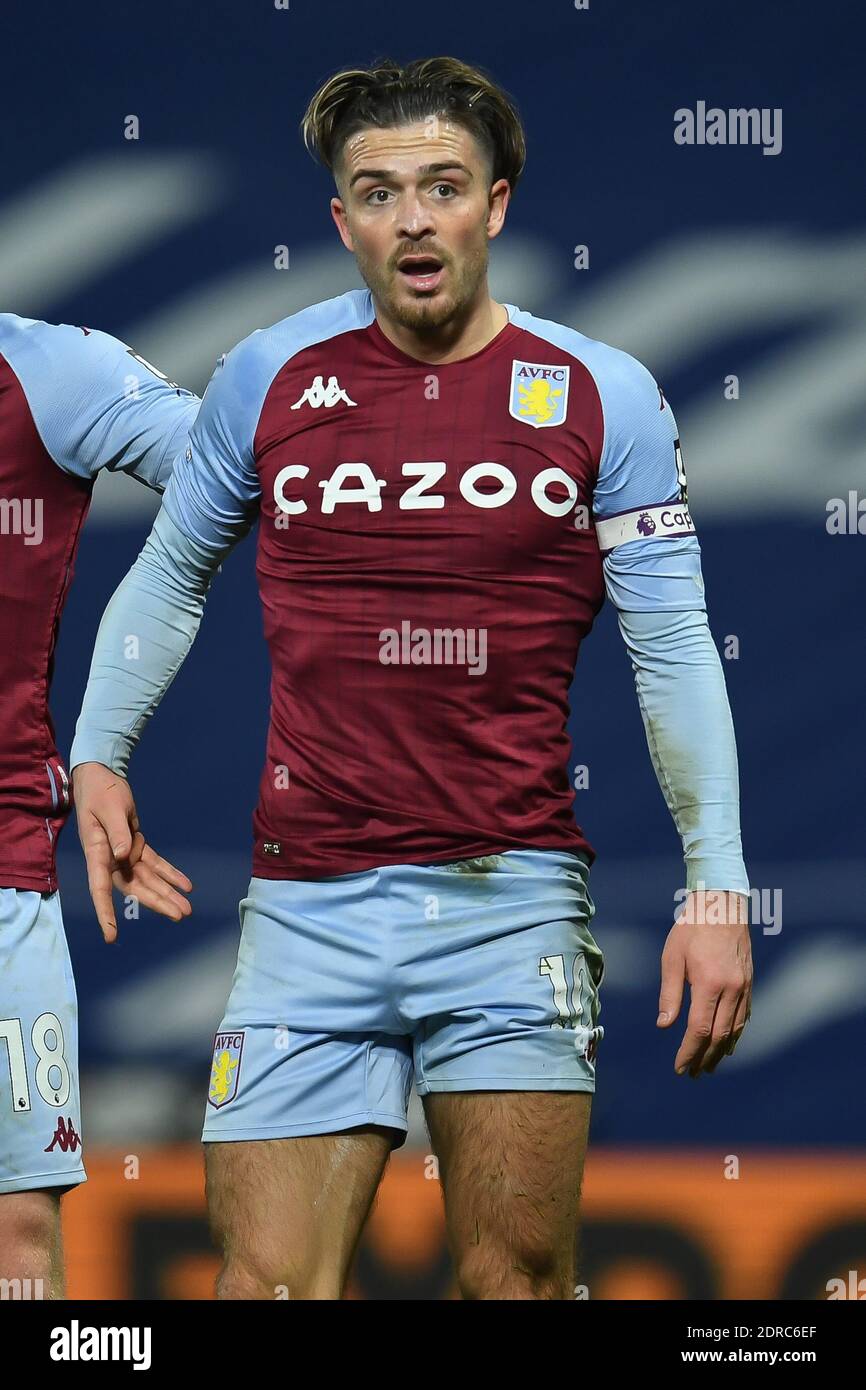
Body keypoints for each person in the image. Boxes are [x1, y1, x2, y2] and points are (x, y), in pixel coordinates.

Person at [71, 57, 752, 1301]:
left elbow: (672, 651)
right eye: (377, 193)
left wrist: (716, 890)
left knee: (516, 1284)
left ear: (494, 205)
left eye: (443, 186)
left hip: (509, 898)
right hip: (304, 911)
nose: (413, 218)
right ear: (341, 222)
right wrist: (98, 751)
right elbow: (169, 576)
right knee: (265, 1288)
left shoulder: (605, 397)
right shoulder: (268, 377)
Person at [0, 315, 196, 1297]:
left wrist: (101, 742)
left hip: (2, 867)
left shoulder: (55, 370)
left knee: (18, 1228)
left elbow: (235, 469)